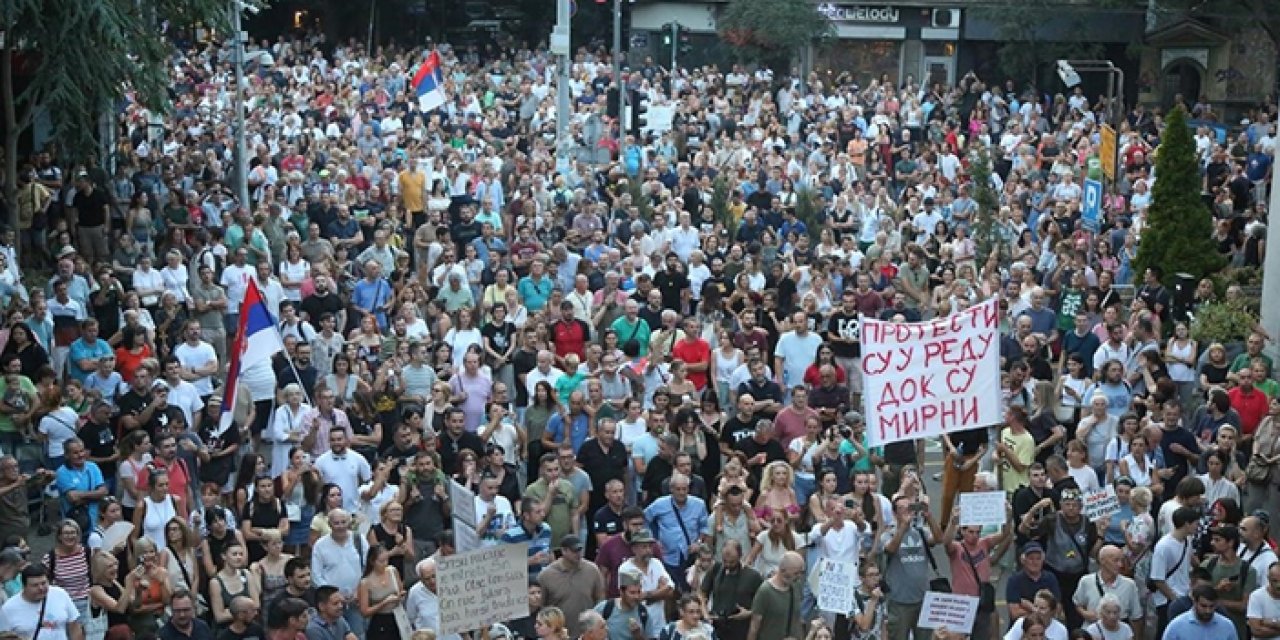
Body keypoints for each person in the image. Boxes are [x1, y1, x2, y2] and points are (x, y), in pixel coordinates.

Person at [538, 535, 604, 637]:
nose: (578, 554)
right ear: (563, 551)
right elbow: (542, 607)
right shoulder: (546, 575)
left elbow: (600, 599)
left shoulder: (592, 570)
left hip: (587, 634)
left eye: (580, 550)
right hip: (559, 635)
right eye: (574, 551)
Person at [0, 564, 84, 640]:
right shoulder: (8, 608)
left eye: (43, 583)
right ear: (24, 586)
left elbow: (74, 626)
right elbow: (4, 636)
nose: (41, 588)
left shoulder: (60, 594)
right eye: (35, 585)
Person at [746, 551, 805, 640]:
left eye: (801, 573)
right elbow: (754, 626)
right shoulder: (765, 591)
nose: (799, 576)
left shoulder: (796, 586)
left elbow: (798, 618)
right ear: (783, 570)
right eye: (796, 573)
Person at [1163, 584, 1239, 640]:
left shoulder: (1227, 626)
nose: (1208, 611)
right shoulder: (1176, 626)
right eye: (1203, 606)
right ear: (1194, 602)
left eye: (1211, 606)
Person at [1247, 561, 1280, 639]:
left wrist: (1270, 622)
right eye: (1275, 581)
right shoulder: (1257, 596)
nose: (1279, 585)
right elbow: (1256, 631)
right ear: (1268, 579)